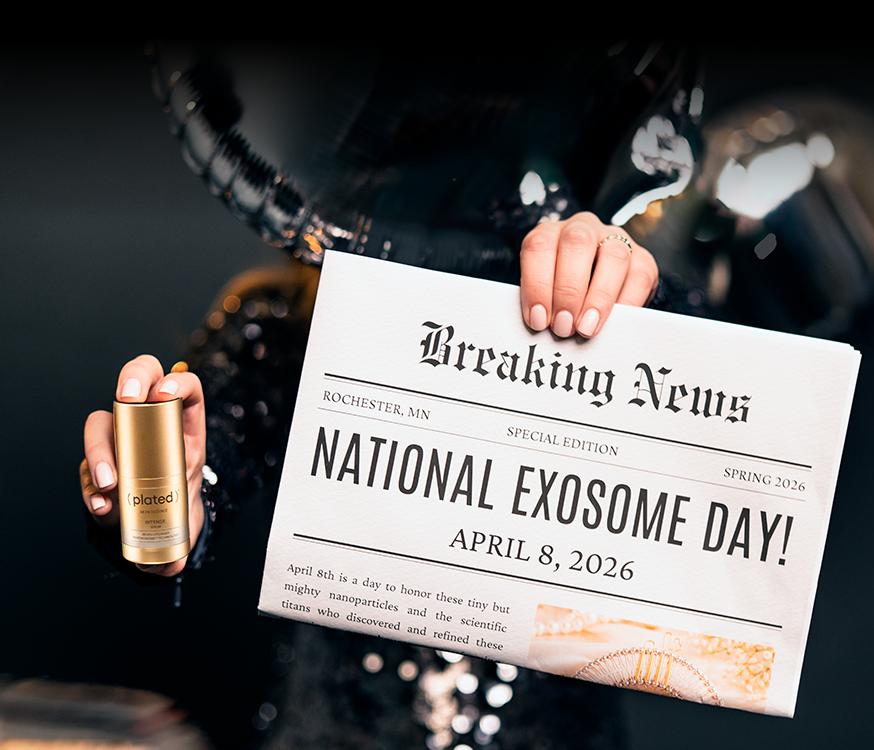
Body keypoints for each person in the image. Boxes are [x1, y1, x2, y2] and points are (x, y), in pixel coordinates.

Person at [78, 44, 704, 749]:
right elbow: (194, 481)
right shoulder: (281, 330)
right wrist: (159, 501)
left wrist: (633, 311)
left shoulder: (626, 315)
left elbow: (719, 478)